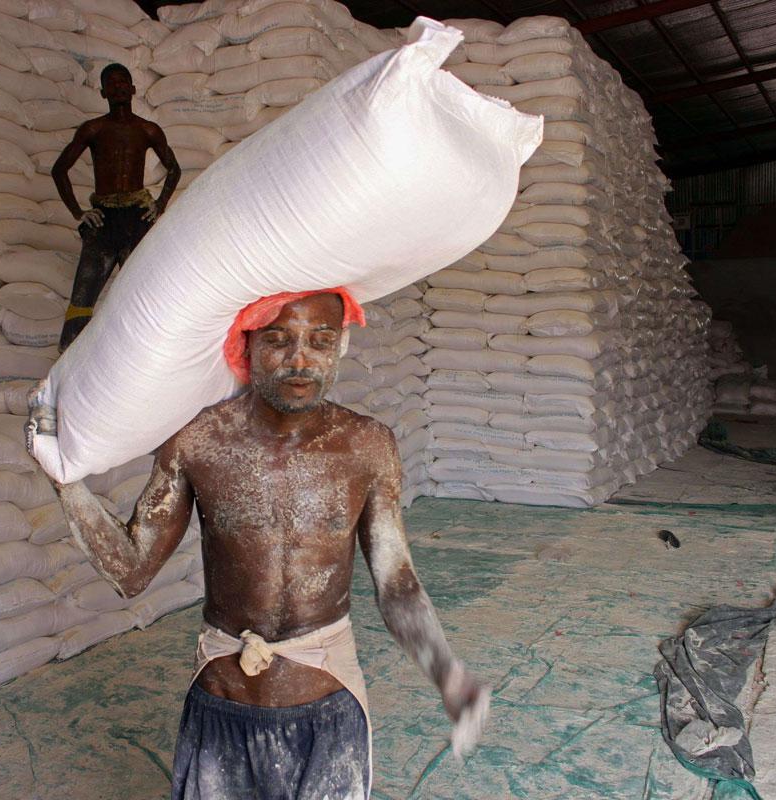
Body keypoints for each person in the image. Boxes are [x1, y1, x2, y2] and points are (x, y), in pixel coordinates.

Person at [27, 291, 489, 800]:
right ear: (246, 345)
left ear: (341, 346)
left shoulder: (366, 445)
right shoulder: (199, 440)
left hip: (328, 708)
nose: (299, 359)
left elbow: (396, 582)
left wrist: (446, 672)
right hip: (222, 705)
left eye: (320, 341)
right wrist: (64, 481)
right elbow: (131, 569)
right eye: (277, 340)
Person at [52, 63, 182, 351]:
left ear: (133, 89)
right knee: (83, 294)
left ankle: (148, 358)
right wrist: (79, 212)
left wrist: (159, 205)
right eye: (112, 83)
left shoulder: (148, 130)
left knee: (146, 293)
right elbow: (59, 170)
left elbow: (174, 169)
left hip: (137, 217)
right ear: (103, 92)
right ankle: (68, 364)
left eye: (124, 81)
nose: (119, 87)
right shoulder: (93, 129)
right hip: (104, 220)